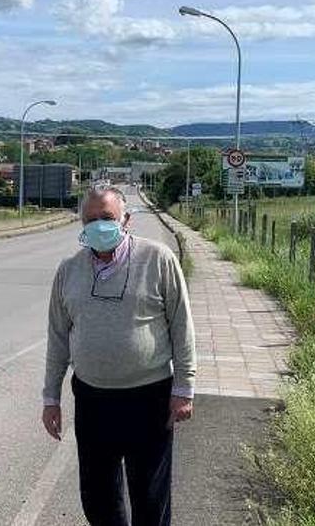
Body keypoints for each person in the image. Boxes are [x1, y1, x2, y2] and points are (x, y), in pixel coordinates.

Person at [41, 187, 196, 526]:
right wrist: (51, 397)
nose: (99, 226)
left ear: (126, 220)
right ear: (81, 223)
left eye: (107, 218)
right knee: (98, 498)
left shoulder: (158, 259)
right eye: (91, 220)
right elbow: (57, 338)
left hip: (149, 396)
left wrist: (184, 389)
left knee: (150, 499)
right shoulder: (69, 270)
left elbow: (182, 325)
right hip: (93, 398)